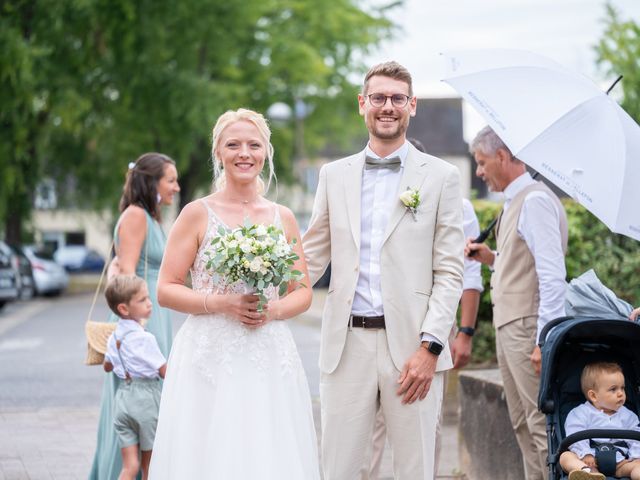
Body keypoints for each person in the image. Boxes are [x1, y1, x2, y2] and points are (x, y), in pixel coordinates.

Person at [303, 61, 465, 480]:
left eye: (397, 98)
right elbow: (311, 256)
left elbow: (450, 271)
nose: (387, 106)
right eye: (378, 98)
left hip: (413, 349)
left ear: (413, 105)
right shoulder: (332, 175)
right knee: (339, 469)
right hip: (346, 346)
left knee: (415, 470)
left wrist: (430, 349)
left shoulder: (443, 177)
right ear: (363, 104)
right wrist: (258, 278)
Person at [148, 108, 320, 479]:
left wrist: (272, 310)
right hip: (209, 356)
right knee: (209, 452)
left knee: (267, 449)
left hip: (268, 352)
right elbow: (166, 289)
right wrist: (220, 303)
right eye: (234, 144)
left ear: (266, 152)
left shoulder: (283, 217)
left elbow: (302, 291)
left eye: (254, 145)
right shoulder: (196, 214)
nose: (245, 152)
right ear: (219, 154)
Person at [367, 141, 483, 479]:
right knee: (371, 430)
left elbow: (467, 276)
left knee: (425, 423)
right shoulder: (372, 202)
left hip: (429, 327)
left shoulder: (457, 204)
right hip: (374, 325)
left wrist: (464, 332)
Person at [465, 125, 568, 480]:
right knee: (522, 423)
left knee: (539, 424)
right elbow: (522, 265)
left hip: (527, 328)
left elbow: (552, 276)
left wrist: (544, 339)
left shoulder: (535, 201)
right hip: (511, 326)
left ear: (502, 157)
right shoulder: (515, 203)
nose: (479, 171)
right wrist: (490, 258)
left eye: (481, 163)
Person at [89, 152, 180, 480]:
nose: (176, 186)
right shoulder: (136, 216)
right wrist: (136, 327)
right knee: (135, 402)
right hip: (140, 322)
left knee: (151, 405)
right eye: (170, 180)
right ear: (152, 182)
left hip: (153, 315)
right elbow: (125, 273)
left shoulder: (152, 218)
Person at [103, 275, 167, 480]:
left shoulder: (115, 336)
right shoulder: (145, 338)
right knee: (149, 466)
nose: (150, 303)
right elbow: (164, 370)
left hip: (123, 399)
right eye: (142, 300)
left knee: (129, 466)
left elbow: (107, 366)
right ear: (123, 308)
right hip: (145, 401)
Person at [560, 362, 640, 480]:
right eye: (613, 389)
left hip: (620, 464)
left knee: (638, 466)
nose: (620, 393)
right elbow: (574, 433)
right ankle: (587, 473)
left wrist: (636, 457)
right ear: (593, 396)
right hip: (589, 461)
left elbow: (636, 440)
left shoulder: (628, 415)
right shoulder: (580, 413)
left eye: (622, 388)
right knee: (565, 457)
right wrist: (585, 453)